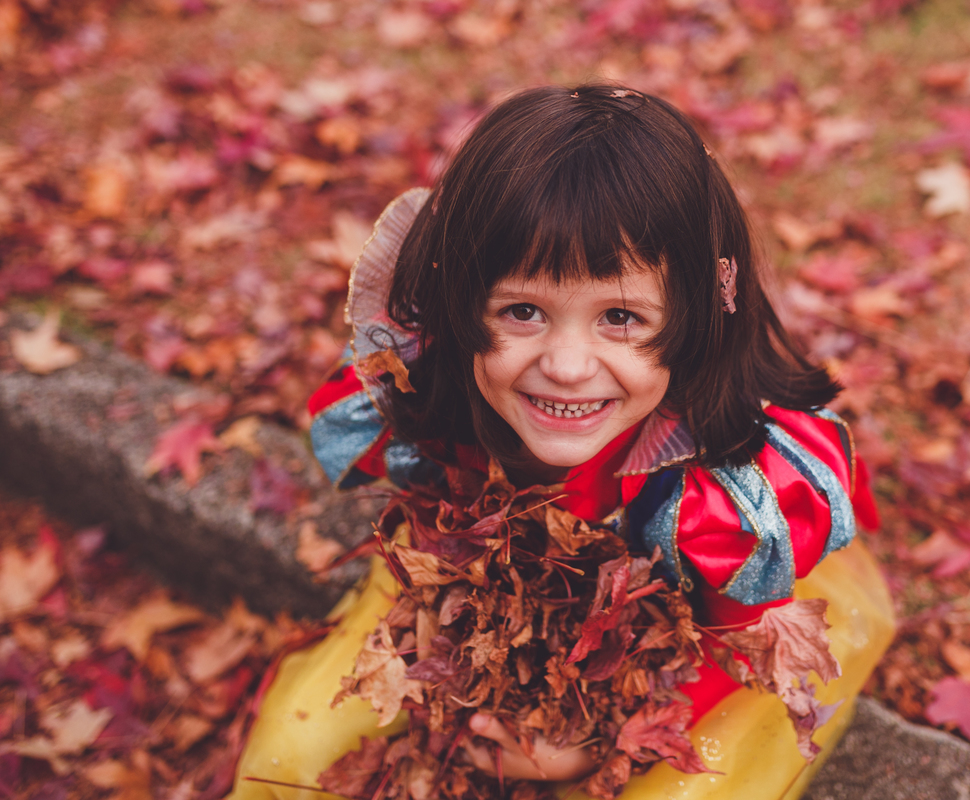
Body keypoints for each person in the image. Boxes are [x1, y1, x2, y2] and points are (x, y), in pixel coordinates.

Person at [229, 84, 894, 800]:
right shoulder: (442, 387)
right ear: (459, 306)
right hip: (521, 589)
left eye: (619, 316)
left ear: (693, 319)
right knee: (298, 751)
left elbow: (732, 648)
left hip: (713, 626)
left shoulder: (723, 500)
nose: (568, 367)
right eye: (522, 311)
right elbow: (442, 520)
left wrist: (602, 740)